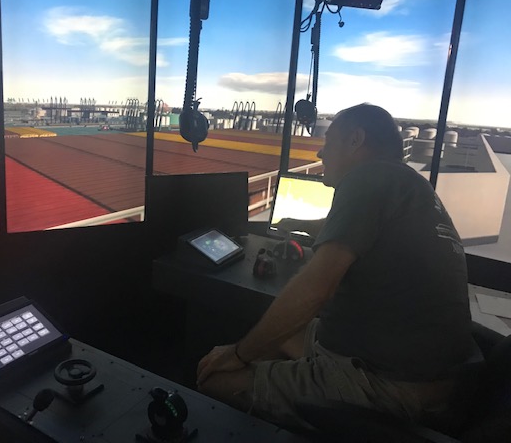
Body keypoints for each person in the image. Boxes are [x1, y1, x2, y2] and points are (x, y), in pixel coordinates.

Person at [196, 103, 476, 429]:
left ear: (356, 140)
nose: (320, 152)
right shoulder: (409, 185)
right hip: (422, 368)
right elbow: (360, 231)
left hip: (390, 383)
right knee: (281, 333)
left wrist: (237, 354)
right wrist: (298, 222)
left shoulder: (367, 177)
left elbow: (315, 290)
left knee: (213, 378)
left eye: (328, 141)